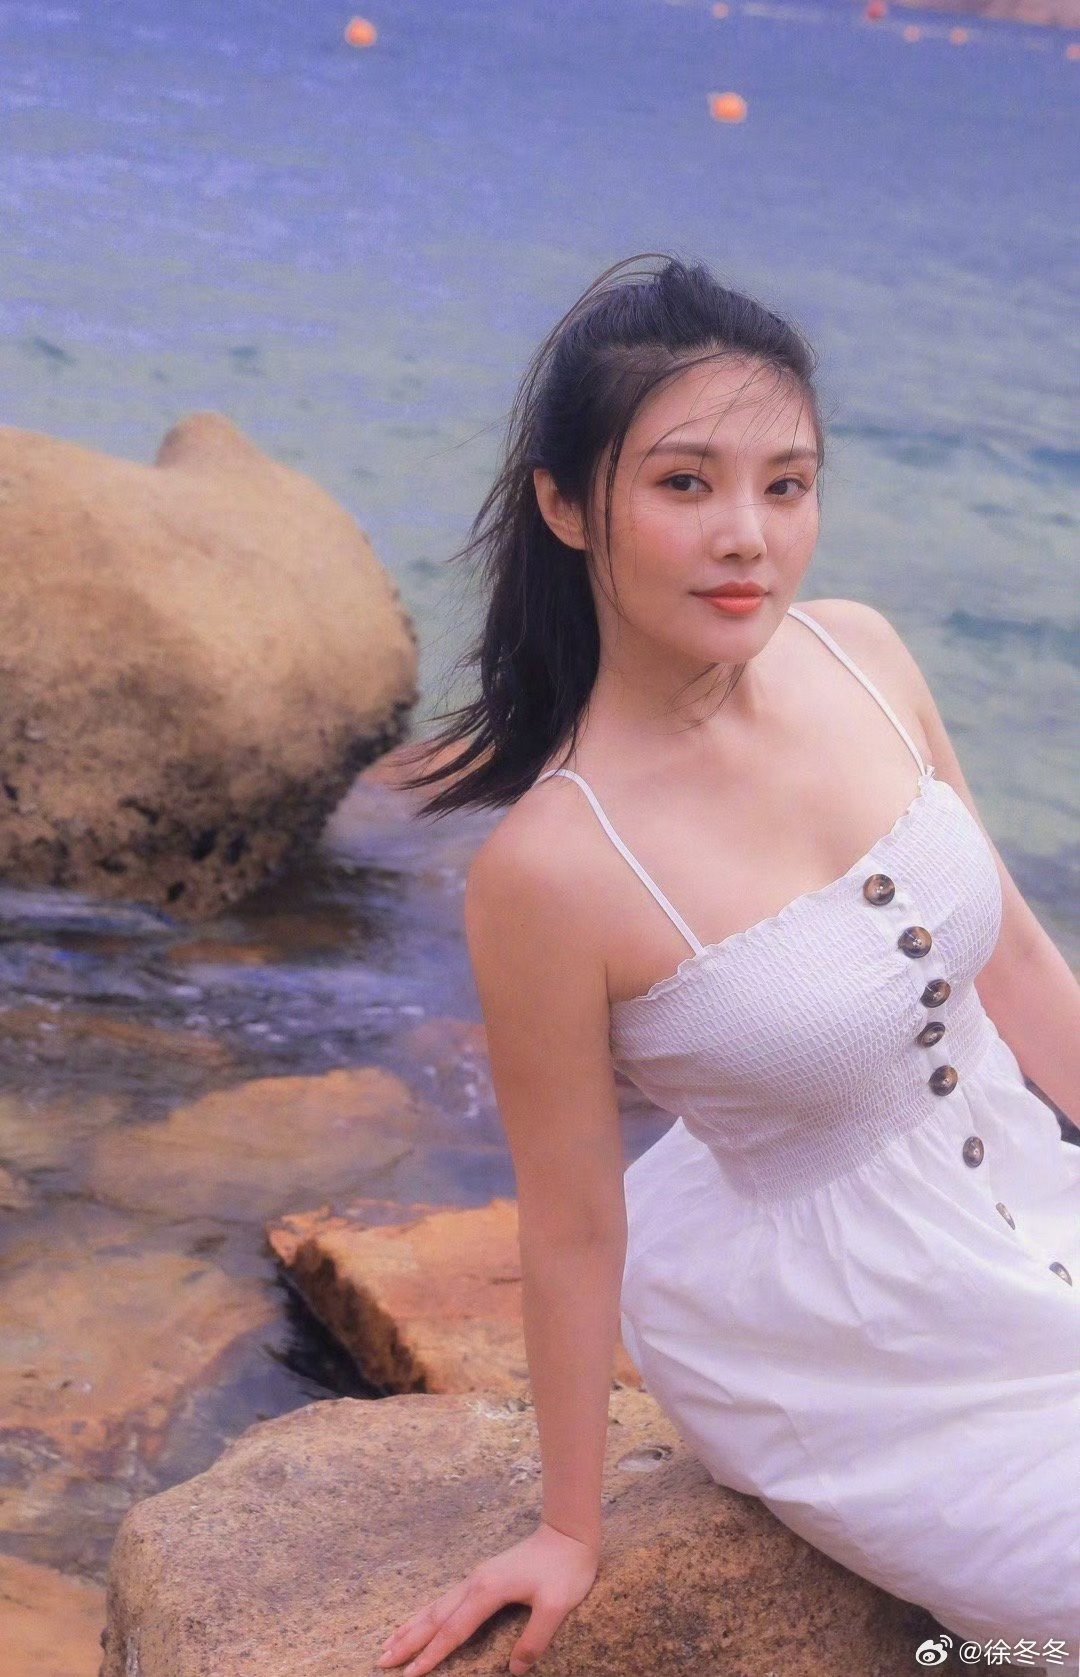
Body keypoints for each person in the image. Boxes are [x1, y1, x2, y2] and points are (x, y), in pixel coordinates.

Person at [377, 254, 1080, 1677]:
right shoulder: (554, 869)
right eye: (685, 483)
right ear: (566, 505)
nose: (747, 536)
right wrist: (566, 1528)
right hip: (851, 1342)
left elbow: (1017, 964)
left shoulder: (863, 653)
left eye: (787, 483)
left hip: (1029, 1204)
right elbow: (571, 1227)